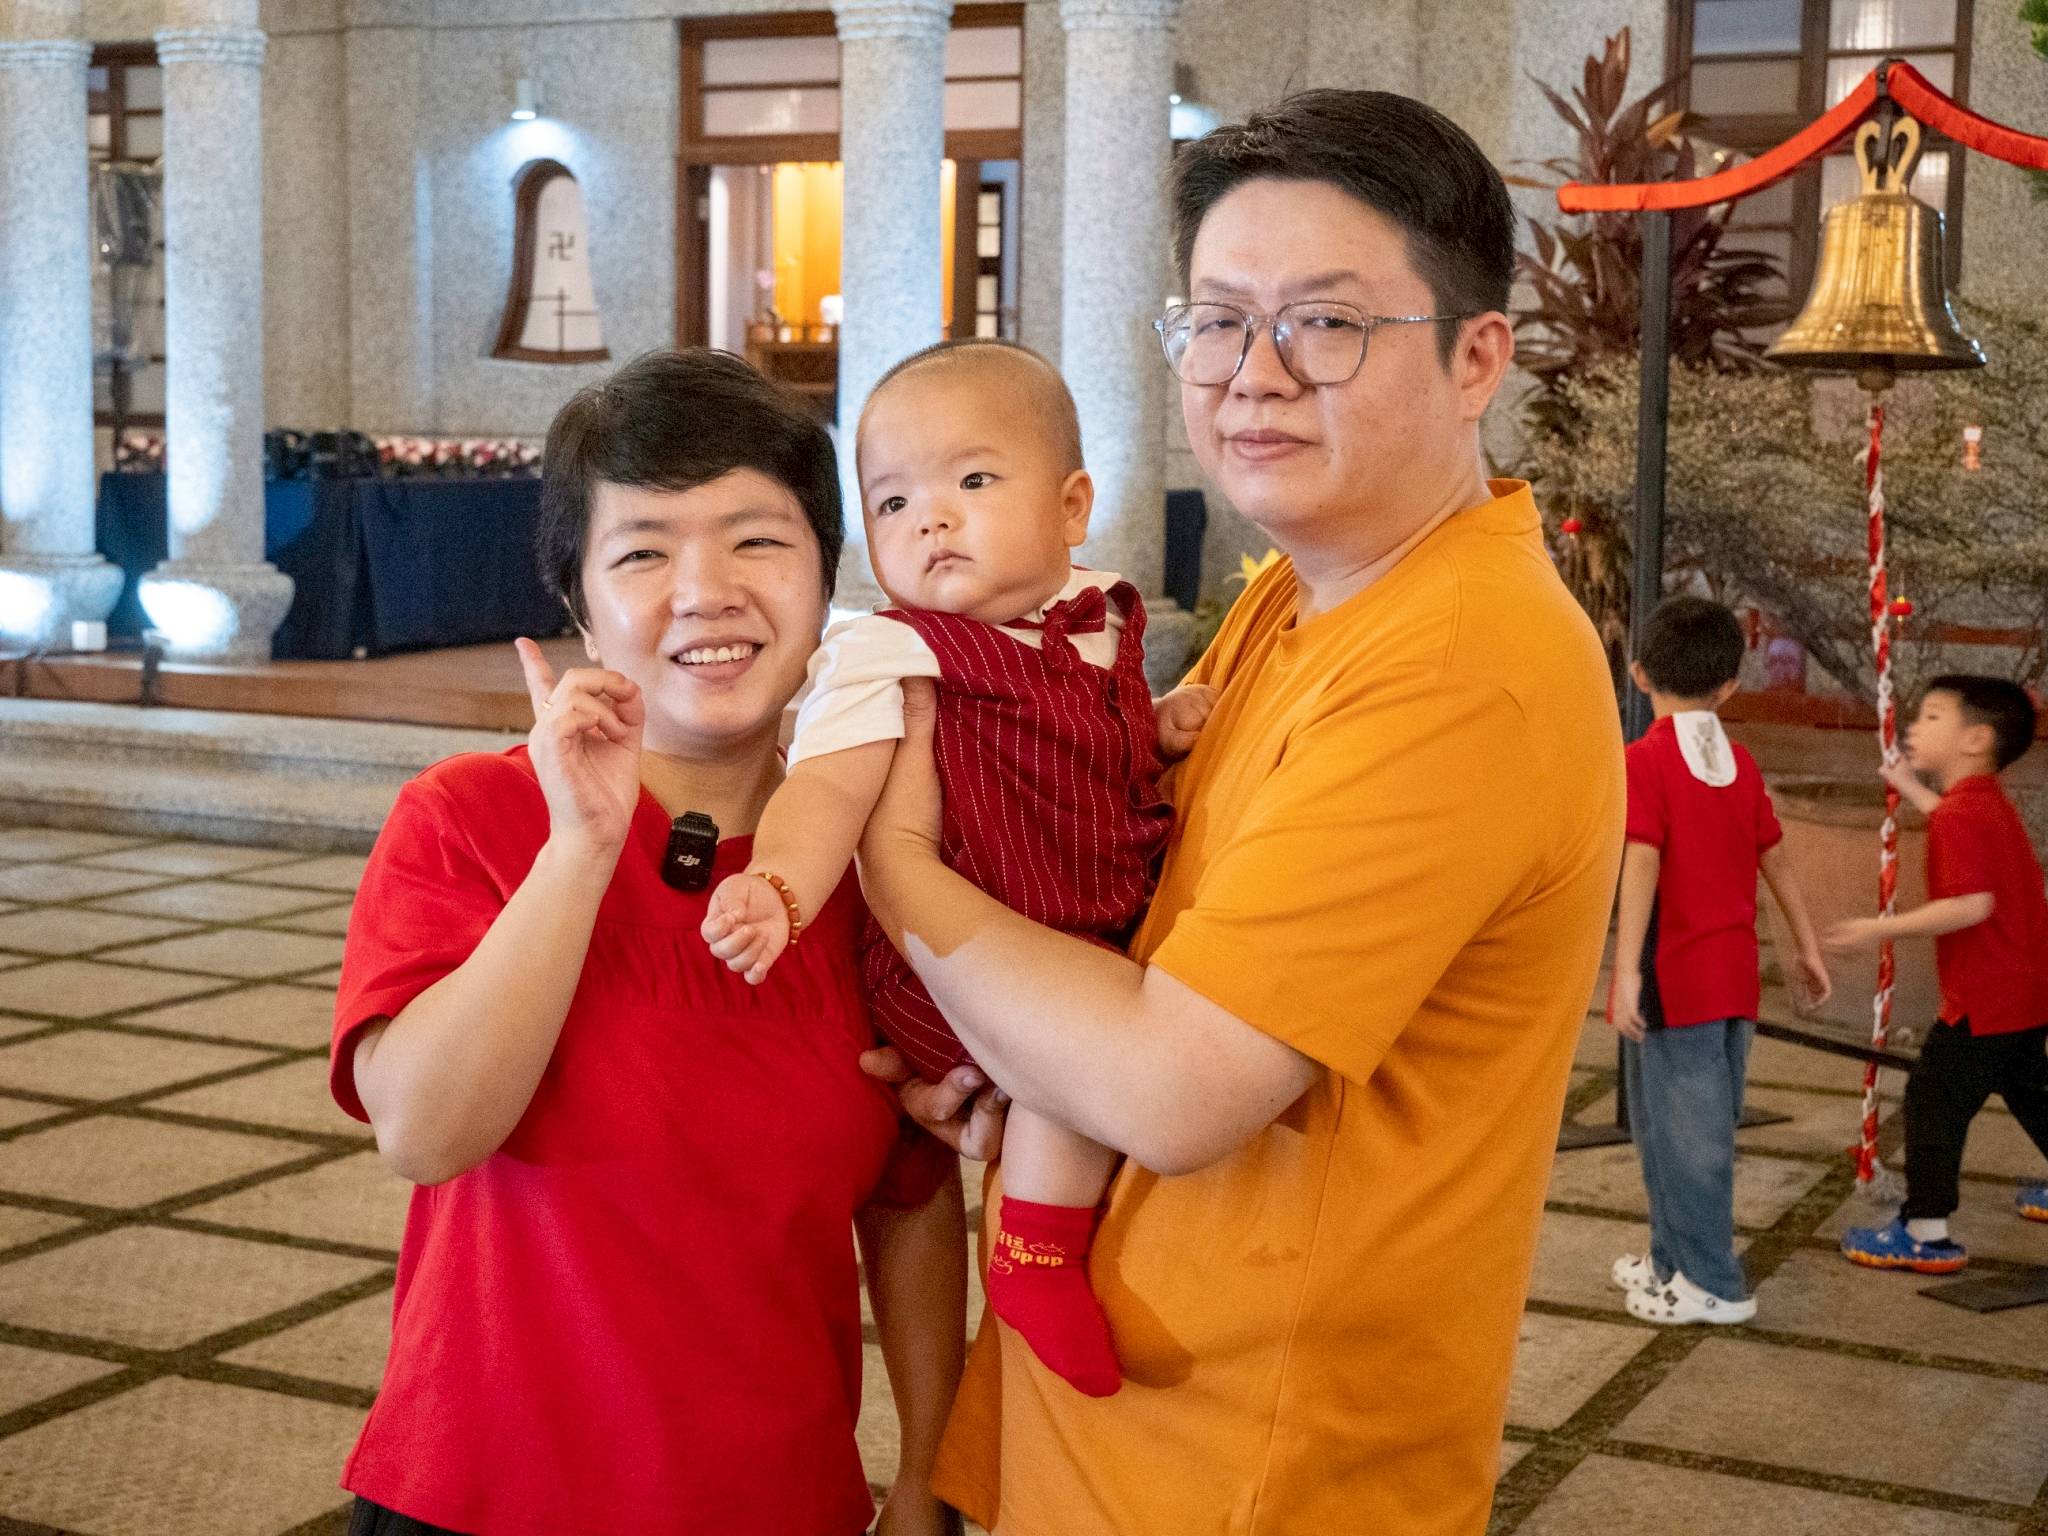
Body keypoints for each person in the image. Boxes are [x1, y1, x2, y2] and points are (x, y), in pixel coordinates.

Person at [858, 90, 1626, 1534]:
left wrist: (896, 864)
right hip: (1121, 1413)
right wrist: (1016, 1065)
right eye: (1216, 321)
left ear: (1478, 358)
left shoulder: (1459, 665)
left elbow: (1170, 1085)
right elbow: (1141, 935)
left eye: (1326, 323)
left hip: (1248, 1464)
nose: (1252, 375)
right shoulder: (1308, 586)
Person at [327, 350, 964, 1536]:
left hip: (774, 1500)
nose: (704, 590)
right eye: (641, 551)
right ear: (576, 597)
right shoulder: (469, 818)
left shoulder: (880, 860)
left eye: (757, 540)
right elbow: (424, 1131)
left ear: (830, 573)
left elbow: (908, 1195)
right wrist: (579, 848)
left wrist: (927, 1468)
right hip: (479, 1500)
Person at [702, 339, 1216, 1400]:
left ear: (1071, 505)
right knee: (1068, 1072)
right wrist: (781, 886)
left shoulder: (1102, 614)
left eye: (972, 481)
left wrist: (1156, 730)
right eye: (891, 503)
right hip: (948, 955)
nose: (929, 519)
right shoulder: (885, 652)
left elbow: (1095, 745)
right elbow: (830, 791)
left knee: (1130, 1045)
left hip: (1085, 912)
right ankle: (1031, 1251)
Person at [1607, 596, 1832, 1325]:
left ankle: (1713, 1283)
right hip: (1731, 978)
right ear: (1730, 686)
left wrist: (1625, 974)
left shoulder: (1644, 762)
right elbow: (1778, 861)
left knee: (1685, 1139)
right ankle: (1673, 1260)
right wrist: (1806, 945)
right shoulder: (1738, 762)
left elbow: (1640, 863)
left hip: (1675, 977)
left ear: (1639, 674)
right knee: (1675, 1128)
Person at [1830, 674, 2048, 1272]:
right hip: (2025, 990)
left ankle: (1925, 1232)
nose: (1913, 726)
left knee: (1932, 1103)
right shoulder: (1980, 803)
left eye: (1931, 717)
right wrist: (1908, 785)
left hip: (1984, 999)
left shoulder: (1963, 815)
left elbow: (1970, 906)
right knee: (2034, 1094)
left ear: (1975, 738)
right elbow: (1954, 822)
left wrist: (1878, 929)